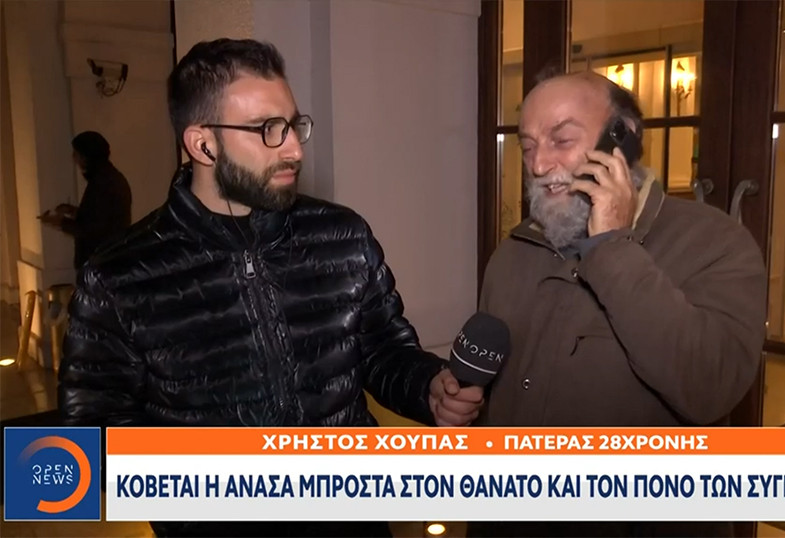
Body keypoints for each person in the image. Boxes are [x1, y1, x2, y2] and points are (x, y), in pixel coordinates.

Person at [58, 38, 483, 538]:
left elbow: (383, 348)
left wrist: (427, 387)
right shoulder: (119, 275)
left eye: (294, 125)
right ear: (202, 144)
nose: (295, 149)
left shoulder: (341, 235)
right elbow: (95, 427)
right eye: (268, 130)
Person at [469, 71, 767, 537]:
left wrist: (611, 246)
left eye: (561, 140)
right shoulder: (511, 254)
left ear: (621, 140)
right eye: (528, 147)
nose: (540, 164)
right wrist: (461, 399)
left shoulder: (717, 243)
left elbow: (709, 385)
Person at [39, 131, 132, 271]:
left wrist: (60, 222)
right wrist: (72, 211)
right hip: (107, 260)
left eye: (76, 154)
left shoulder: (102, 183)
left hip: (101, 263)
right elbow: (98, 215)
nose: (74, 158)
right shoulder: (108, 178)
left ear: (86, 156)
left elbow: (92, 229)